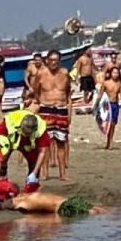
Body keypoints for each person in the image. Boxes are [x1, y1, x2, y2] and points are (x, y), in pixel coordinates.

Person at [33, 50, 72, 180]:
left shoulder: (65, 73)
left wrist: (69, 112)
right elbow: (36, 91)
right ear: (47, 61)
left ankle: (62, 174)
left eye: (56, 60)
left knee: (61, 141)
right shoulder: (41, 74)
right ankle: (45, 173)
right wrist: (41, 104)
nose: (54, 63)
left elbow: (68, 94)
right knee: (46, 142)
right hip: (46, 109)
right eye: (52, 60)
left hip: (61, 109)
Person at [0, 110, 50, 192]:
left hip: (29, 145)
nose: (26, 135)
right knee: (1, 159)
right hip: (10, 141)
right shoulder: (9, 122)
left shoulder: (41, 129)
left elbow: (42, 152)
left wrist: (34, 172)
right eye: (25, 133)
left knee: (34, 163)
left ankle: (31, 187)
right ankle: (1, 184)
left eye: (28, 134)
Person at [95, 67, 121, 150]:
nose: (115, 75)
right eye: (114, 73)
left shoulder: (119, 84)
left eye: (117, 73)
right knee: (109, 124)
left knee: (113, 124)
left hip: (115, 105)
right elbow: (100, 94)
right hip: (107, 105)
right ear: (111, 74)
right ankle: (109, 142)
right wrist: (96, 105)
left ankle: (109, 141)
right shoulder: (105, 83)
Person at [0, 191, 105, 216]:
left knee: (92, 212)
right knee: (97, 209)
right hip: (68, 200)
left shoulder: (24, 204)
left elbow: (22, 212)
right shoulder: (26, 195)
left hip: (63, 207)